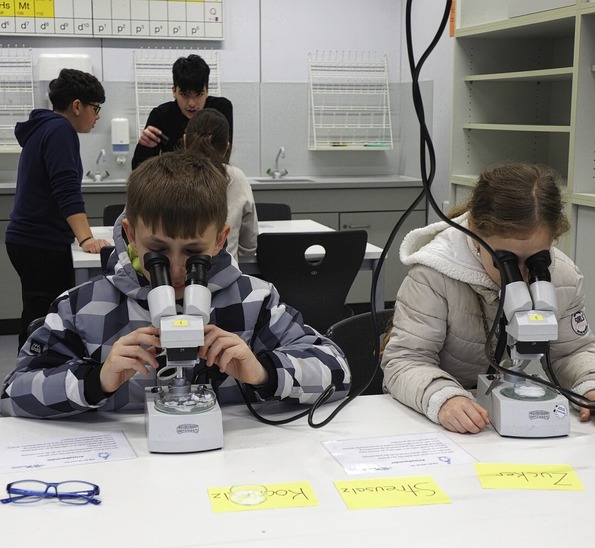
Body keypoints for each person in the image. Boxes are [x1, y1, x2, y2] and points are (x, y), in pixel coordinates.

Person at [0, 151, 350, 419]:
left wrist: (264, 373)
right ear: (130, 235)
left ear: (219, 241)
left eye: (194, 253)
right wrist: (96, 380)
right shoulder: (81, 308)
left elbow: (338, 370)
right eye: (158, 252)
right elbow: (12, 392)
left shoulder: (254, 302)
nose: (178, 269)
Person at [382, 163, 595, 435]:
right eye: (506, 261)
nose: (522, 275)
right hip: (446, 416)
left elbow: (573, 351)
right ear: (475, 233)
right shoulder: (434, 274)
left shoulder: (562, 276)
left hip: (499, 418)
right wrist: (444, 398)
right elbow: (405, 360)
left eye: (537, 260)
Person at [5, 68, 111, 351]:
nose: (97, 116)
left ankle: (30, 370)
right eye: (96, 108)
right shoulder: (60, 130)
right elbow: (65, 189)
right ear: (78, 106)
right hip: (39, 243)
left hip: (26, 241)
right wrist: (86, 238)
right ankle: (30, 376)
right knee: (44, 319)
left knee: (37, 313)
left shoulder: (43, 127)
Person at [131, 54, 233, 170]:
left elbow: (223, 159)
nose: (192, 103)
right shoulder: (161, 115)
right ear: (174, 91)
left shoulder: (219, 109)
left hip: (213, 181)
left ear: (207, 91)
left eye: (199, 95)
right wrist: (144, 148)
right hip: (173, 183)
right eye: (184, 95)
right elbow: (138, 171)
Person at [184, 108, 258, 261]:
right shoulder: (236, 178)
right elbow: (249, 244)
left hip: (175, 277)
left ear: (185, 141)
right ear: (226, 147)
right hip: (226, 277)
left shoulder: (166, 175)